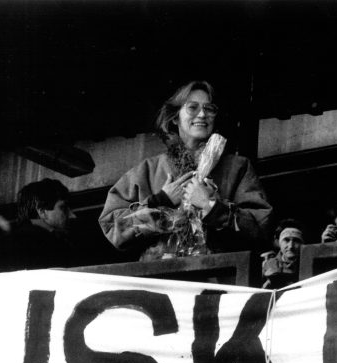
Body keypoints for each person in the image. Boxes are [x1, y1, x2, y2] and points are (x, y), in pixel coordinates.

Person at [99, 80, 272, 259]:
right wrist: (159, 201)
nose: (202, 114)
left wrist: (211, 206)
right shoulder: (147, 170)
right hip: (162, 279)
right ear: (175, 118)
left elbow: (261, 227)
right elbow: (113, 228)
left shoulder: (237, 168)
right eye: (192, 108)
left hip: (218, 277)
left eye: (209, 108)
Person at [0, 179, 75, 272]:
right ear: (42, 212)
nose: (71, 215)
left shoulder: (1, 243)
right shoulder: (57, 247)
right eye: (63, 208)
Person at [261, 218, 305, 289]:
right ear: (279, 243)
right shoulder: (268, 264)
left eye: (296, 241)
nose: (290, 246)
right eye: (286, 240)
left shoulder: (307, 263)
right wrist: (269, 283)